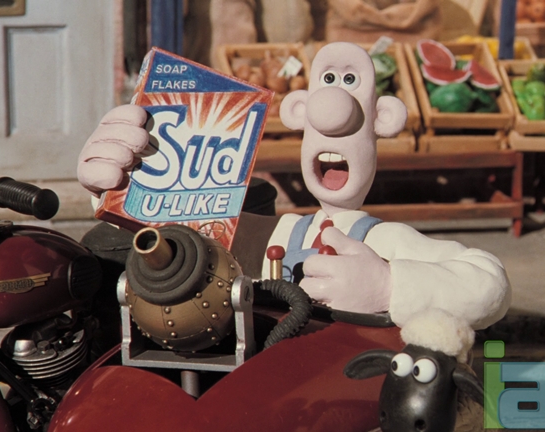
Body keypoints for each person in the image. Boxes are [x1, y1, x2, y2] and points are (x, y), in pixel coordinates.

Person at [77, 42, 511, 331]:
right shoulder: (280, 233)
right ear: (300, 113)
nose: (332, 109)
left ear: (383, 121)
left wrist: (390, 286)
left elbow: (490, 284)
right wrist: (123, 187)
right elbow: (186, 230)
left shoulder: (383, 240)